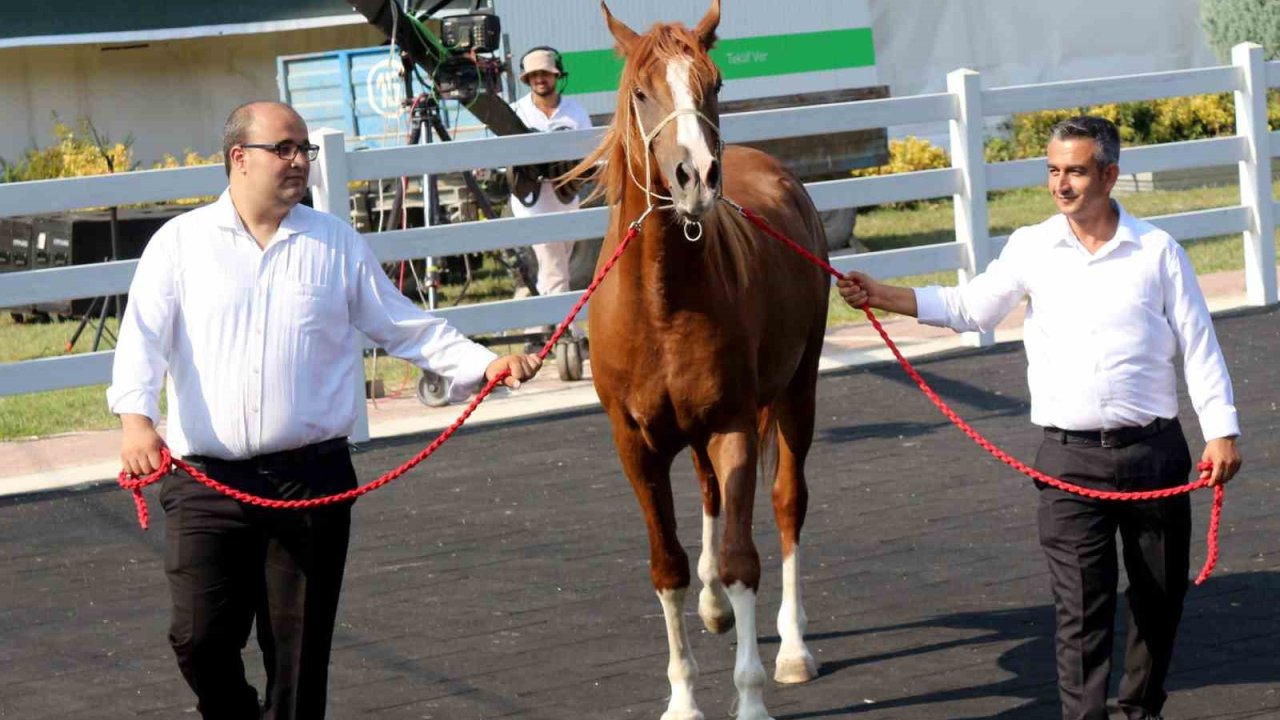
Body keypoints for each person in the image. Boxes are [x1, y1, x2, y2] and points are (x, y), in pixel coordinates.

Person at [107, 101, 541, 719]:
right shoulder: (179, 245)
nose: (297, 161)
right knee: (198, 640)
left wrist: (480, 364)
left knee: (299, 658)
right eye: (283, 148)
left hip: (311, 480)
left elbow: (402, 326)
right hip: (207, 483)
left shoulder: (334, 242)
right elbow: (142, 339)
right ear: (239, 159)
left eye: (303, 149)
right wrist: (135, 420)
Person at [837, 116, 1241, 720]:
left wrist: (1222, 431)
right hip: (1068, 461)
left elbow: (1199, 344)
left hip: (1155, 455)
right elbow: (968, 308)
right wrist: (884, 294)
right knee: (1080, 607)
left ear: (1109, 174)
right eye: (1053, 170)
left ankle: (1140, 710)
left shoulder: (1159, 252)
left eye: (1075, 170)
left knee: (1159, 601)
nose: (1062, 184)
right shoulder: (1031, 247)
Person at [508, 46, 593, 306]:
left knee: (556, 264)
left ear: (557, 76)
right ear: (528, 79)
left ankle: (540, 324)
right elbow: (504, 162)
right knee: (554, 263)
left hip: (566, 199)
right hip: (532, 203)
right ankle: (567, 330)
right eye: (534, 75)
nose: (540, 80)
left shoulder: (575, 111)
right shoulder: (516, 112)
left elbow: (589, 154)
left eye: (545, 74)